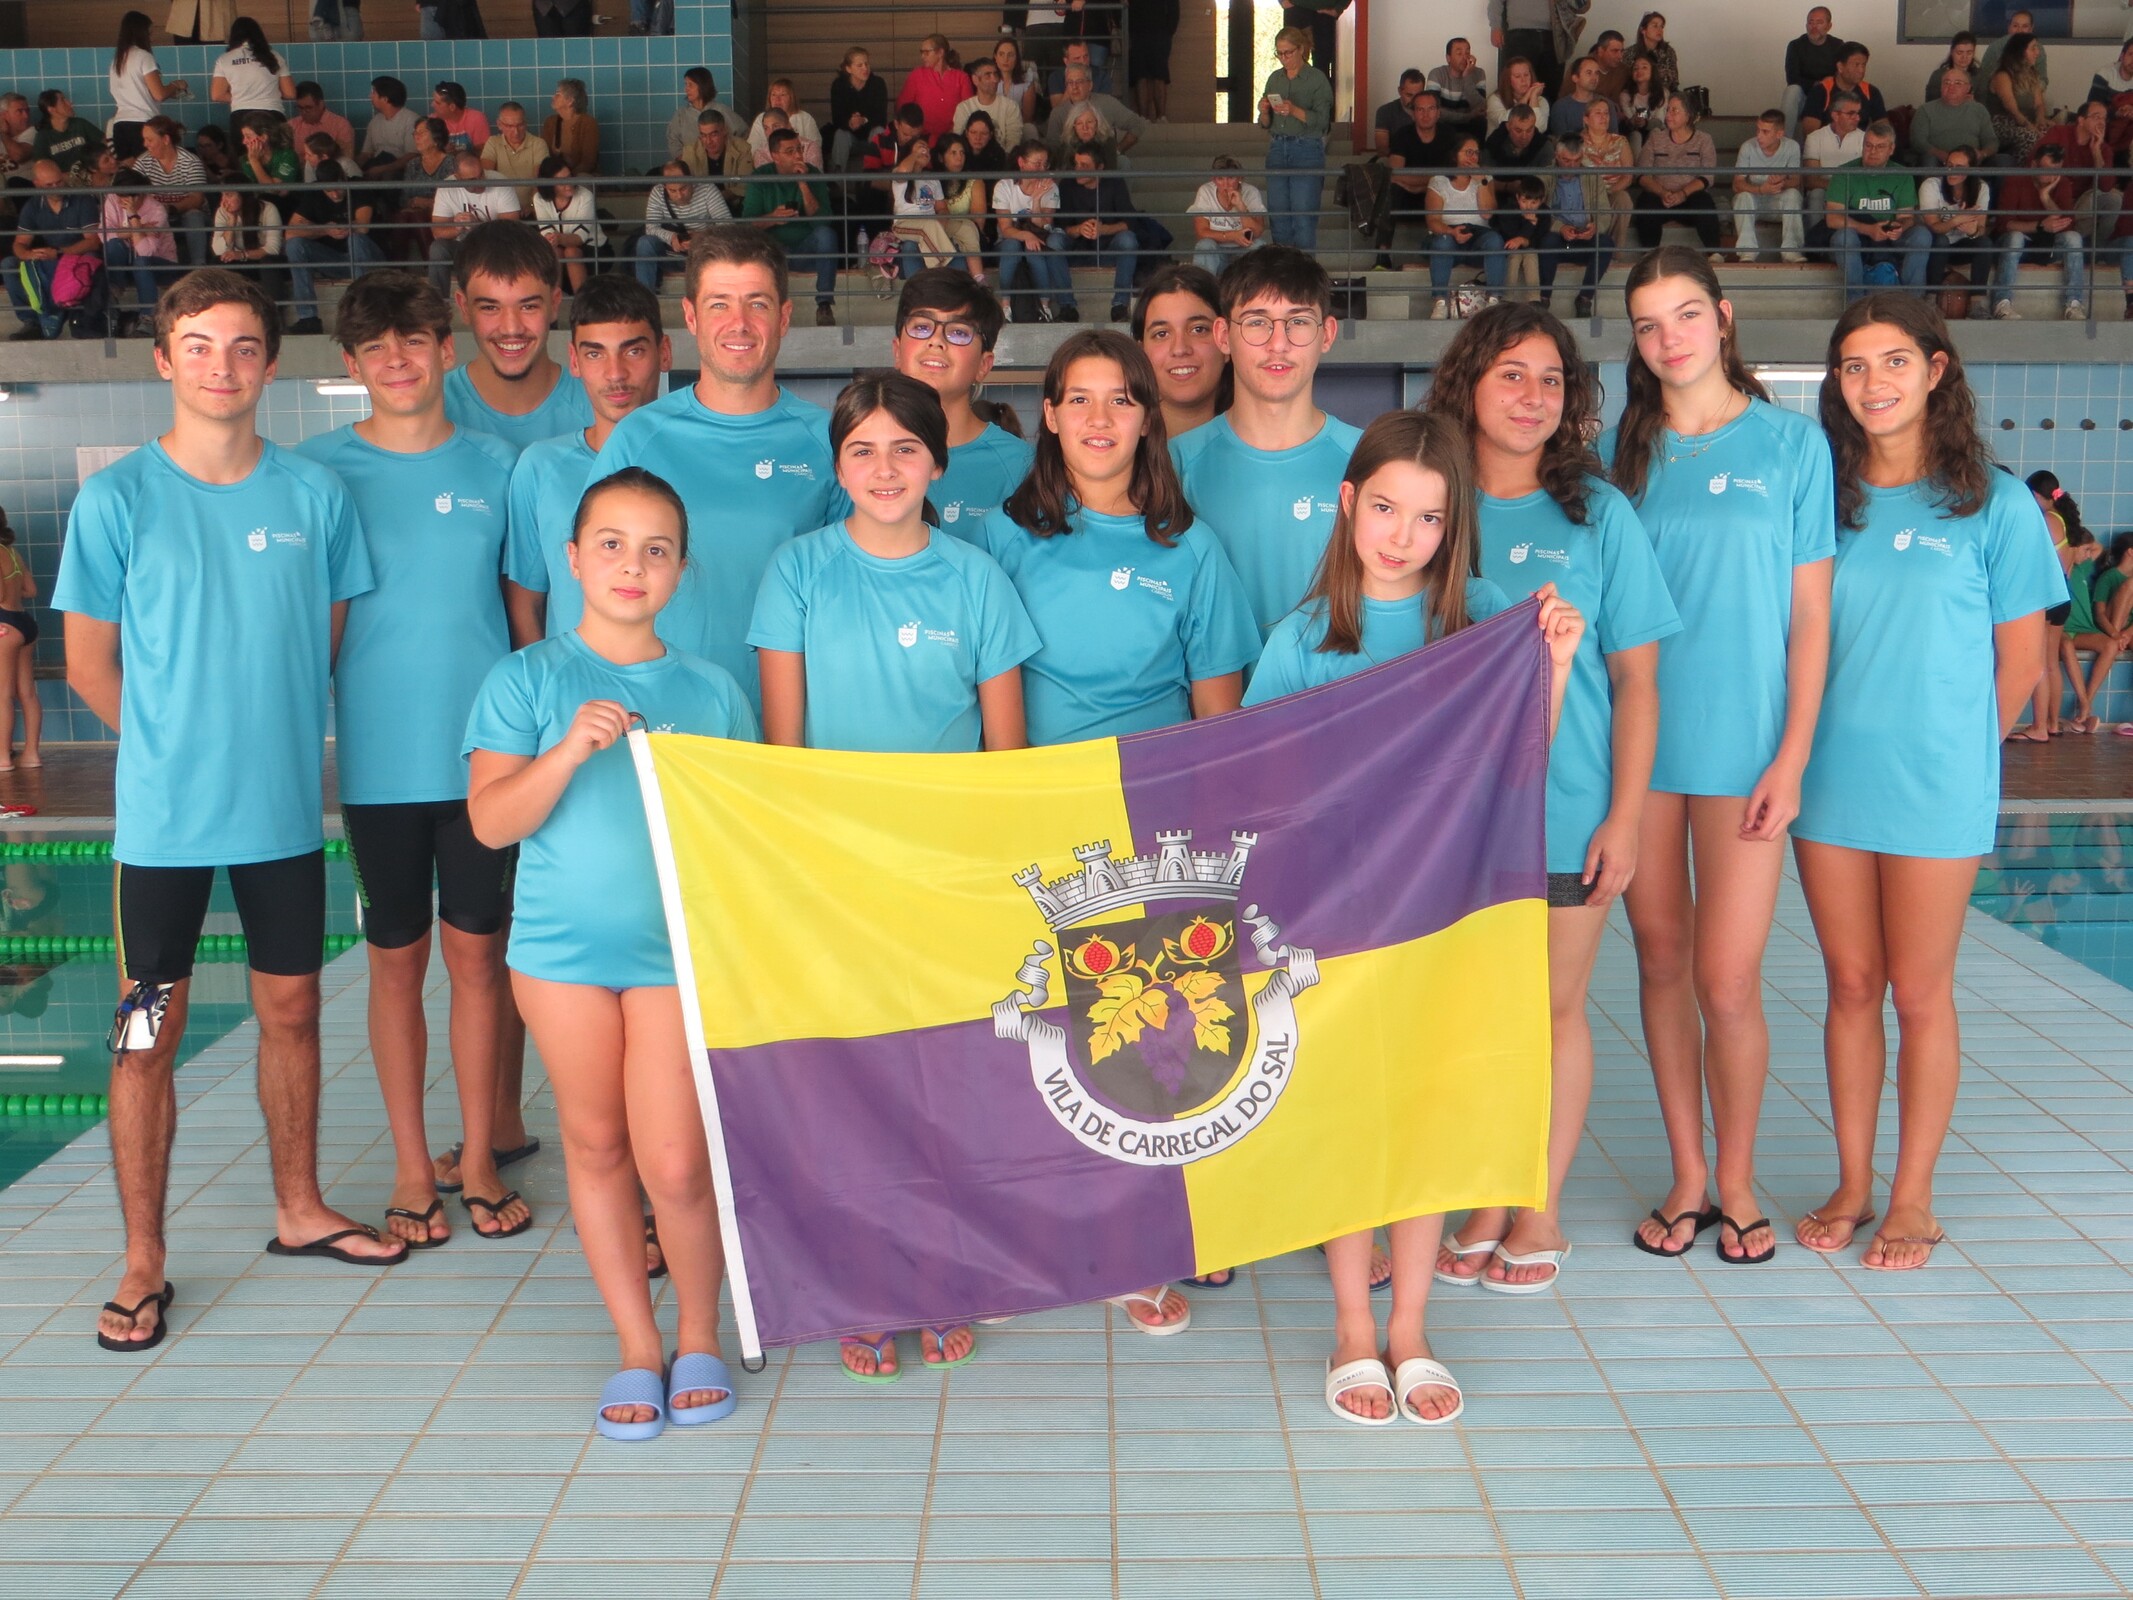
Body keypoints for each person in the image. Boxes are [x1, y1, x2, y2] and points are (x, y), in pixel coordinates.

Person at [57, 268, 402, 1356]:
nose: (222, 366)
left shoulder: (314, 497)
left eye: (244, 346)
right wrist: (175, 748)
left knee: (293, 1010)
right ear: (165, 360)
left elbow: (325, 645)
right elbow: (88, 664)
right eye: (199, 346)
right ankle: (142, 1258)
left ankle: (299, 1208)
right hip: (162, 829)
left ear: (269, 363)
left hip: (281, 822)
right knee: (143, 1033)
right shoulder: (117, 500)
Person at [1249, 413, 1578, 1386]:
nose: (1402, 536)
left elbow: (1519, 764)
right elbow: (1258, 787)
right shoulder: (1302, 637)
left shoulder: (1481, 620)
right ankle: (1355, 1326)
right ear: (1348, 502)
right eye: (1386, 508)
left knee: (1428, 1114)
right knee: (1354, 1117)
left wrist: (1554, 666)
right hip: (1340, 918)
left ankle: (1411, 1327)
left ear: (1454, 525)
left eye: (1429, 518)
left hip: (1447, 911)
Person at [750, 373, 1033, 1369]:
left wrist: (978, 876)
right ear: (836, 467)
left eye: (904, 448)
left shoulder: (976, 580)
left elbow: (1006, 757)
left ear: (938, 463)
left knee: (944, 1081)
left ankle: (943, 1268)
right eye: (862, 450)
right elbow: (782, 753)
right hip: (835, 872)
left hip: (943, 875)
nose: (884, 469)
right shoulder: (797, 572)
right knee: (849, 1082)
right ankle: (863, 1276)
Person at [466, 466, 751, 1438]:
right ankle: (636, 1343)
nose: (634, 565)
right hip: (560, 956)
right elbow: (491, 824)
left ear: (681, 570)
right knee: (595, 1147)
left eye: (656, 549)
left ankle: (699, 1331)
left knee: (674, 1161)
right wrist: (566, 751)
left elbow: (738, 836)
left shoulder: (712, 692)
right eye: (613, 545)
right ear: (574, 559)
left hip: (673, 956)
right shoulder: (526, 679)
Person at [1791, 293, 2063, 1271]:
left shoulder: (1994, 502)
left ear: (1936, 368)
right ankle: (1853, 1182)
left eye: (1894, 361)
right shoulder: (1821, 499)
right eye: (1854, 366)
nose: (1874, 383)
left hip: (1935, 783)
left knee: (1917, 991)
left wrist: (1959, 755)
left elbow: (2021, 661)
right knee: (1849, 983)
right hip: (1829, 778)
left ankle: (1913, 1198)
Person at [1422, 302, 1675, 1295]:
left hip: (1567, 807)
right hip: (1450, 816)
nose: (1533, 397)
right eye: (1511, 375)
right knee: (1471, 1014)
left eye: (1551, 380)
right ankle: (1487, 1192)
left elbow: (1638, 680)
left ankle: (1539, 1205)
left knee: (1552, 1009)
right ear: (1468, 385)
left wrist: (1625, 817)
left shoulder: (1597, 514)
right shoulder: (1431, 502)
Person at [1601, 247, 1835, 1267]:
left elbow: (1812, 616)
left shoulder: (1793, 445)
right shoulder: (1624, 452)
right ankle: (1689, 1174)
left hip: (1745, 745)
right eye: (1649, 324)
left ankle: (1738, 1179)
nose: (1670, 338)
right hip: (1641, 746)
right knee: (1659, 961)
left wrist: (1792, 755)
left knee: (1728, 979)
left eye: (1686, 314)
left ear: (1724, 316)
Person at [296, 272, 524, 1251]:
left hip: (484, 764)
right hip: (380, 765)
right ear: (352, 364)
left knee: (479, 961)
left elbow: (522, 614)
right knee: (396, 965)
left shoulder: (499, 466)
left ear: (444, 349)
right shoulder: (315, 473)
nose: (398, 360)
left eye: (415, 340)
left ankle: (479, 1158)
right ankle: (407, 1163)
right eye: (377, 347)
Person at [593, 226, 847, 708]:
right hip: (664, 714)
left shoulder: (830, 442)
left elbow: (853, 590)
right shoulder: (638, 437)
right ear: (690, 316)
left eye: (757, 304)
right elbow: (595, 584)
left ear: (784, 317)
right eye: (719, 305)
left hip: (792, 715)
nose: (739, 323)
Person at [1172, 247, 1356, 636]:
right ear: (1223, 335)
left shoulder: (1369, 460)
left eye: (1298, 322)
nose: (1278, 344)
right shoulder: (1176, 464)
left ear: (1327, 334)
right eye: (1257, 322)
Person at [504, 274, 673, 648]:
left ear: (664, 352)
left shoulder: (694, 462)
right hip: (571, 683)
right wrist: (543, 680)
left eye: (633, 351)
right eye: (595, 353)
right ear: (574, 360)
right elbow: (526, 602)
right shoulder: (540, 467)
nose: (615, 374)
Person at [891, 269, 1032, 535]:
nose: (936, 341)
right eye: (921, 327)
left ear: (984, 364)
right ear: (897, 351)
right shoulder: (859, 456)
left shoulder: (1022, 466)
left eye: (958, 332)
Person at [443, 221, 596, 457]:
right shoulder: (432, 409)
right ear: (464, 308)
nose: (511, 328)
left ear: (555, 303)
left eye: (528, 306)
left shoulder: (598, 408)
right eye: (490, 308)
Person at [742, 128, 842, 329]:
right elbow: (747, 225)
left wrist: (803, 183)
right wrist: (773, 218)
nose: (798, 155)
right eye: (790, 151)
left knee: (826, 235)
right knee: (753, 244)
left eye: (799, 149)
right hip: (774, 256)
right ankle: (763, 311)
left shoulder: (812, 173)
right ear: (775, 156)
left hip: (806, 252)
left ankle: (824, 304)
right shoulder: (761, 176)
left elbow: (823, 220)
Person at [1825, 122, 1929, 305]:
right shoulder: (1844, 172)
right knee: (1844, 237)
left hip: (1890, 236)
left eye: (1880, 147)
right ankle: (1854, 303)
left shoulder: (1902, 174)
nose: (1873, 151)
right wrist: (1868, 229)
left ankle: (1913, 303)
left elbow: (1907, 217)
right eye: (1868, 145)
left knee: (1921, 235)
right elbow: (1832, 219)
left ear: (1891, 149)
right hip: (1858, 236)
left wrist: (1899, 227)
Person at [1056, 142, 1153, 325]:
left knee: (1128, 239)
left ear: (1100, 167)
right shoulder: (1067, 185)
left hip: (1108, 249)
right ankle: (1067, 306)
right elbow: (1060, 224)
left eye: (1084, 166)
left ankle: (1120, 305)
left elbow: (1130, 221)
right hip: (1076, 250)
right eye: (1076, 164)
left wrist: (1103, 229)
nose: (1078, 170)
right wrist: (1079, 229)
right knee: (1054, 241)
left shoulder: (1114, 183)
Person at [1254, 28, 1334, 254]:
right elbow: (1265, 124)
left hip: (1306, 147)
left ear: (1301, 49)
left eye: (1288, 52)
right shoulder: (1275, 78)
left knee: (1303, 216)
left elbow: (1322, 122)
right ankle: (1283, 269)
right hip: (1277, 146)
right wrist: (1264, 111)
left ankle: (1305, 271)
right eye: (1279, 53)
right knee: (1278, 215)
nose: (1283, 58)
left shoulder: (1316, 79)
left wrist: (1294, 110)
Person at [6, 162, 104, 343]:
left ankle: (77, 318)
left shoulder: (82, 200)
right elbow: (19, 243)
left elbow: (93, 241)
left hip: (76, 257)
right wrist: (28, 255)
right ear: (37, 184)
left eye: (59, 182)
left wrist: (60, 253)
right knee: (9, 265)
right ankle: (32, 322)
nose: (56, 187)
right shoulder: (33, 205)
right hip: (51, 257)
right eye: (49, 185)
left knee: (90, 261)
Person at [2013, 469, 2078, 740]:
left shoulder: (2047, 520)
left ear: (2036, 495)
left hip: (2047, 596)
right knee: (2051, 663)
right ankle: (2051, 723)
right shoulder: (2062, 519)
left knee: (2039, 663)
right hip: (2062, 597)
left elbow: (2038, 560)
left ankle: (2039, 727)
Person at [284, 161, 383, 333]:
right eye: (329, 190)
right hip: (335, 260)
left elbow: (362, 226)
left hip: (368, 257)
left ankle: (362, 314)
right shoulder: (314, 193)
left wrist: (343, 228)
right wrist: (324, 229)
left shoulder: (358, 186)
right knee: (294, 245)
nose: (335, 194)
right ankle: (308, 318)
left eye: (338, 188)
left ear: (344, 178)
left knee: (355, 239)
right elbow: (290, 232)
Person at [1134, 261, 1229, 438]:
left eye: (1198, 329)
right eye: (1161, 333)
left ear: (1226, 340)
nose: (1180, 349)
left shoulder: (1266, 445)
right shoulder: (1120, 450)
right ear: (1141, 352)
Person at [1992, 142, 2085, 321]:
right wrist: (2040, 226)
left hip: (2048, 245)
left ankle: (2073, 304)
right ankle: (2002, 303)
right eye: (2046, 169)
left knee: (2073, 238)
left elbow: (2067, 225)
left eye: (2056, 170)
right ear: (2034, 164)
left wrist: (2045, 196)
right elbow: (2005, 224)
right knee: (2015, 237)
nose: (2051, 175)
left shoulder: (2062, 183)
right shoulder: (2016, 180)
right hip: (2020, 243)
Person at [1425, 135, 1505, 317]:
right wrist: (1452, 231)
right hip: (1447, 232)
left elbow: (1487, 214)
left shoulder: (1485, 178)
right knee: (1442, 242)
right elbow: (1432, 221)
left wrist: (1481, 181)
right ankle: (1440, 302)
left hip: (1478, 234)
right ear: (1455, 155)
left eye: (1476, 153)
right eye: (1468, 152)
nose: (1473, 157)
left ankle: (1494, 301)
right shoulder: (1438, 180)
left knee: (1495, 240)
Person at [993, 138, 1071, 323]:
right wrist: (1026, 235)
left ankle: (1044, 306)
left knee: (1034, 251)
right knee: (1011, 246)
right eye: (1037, 163)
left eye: (1045, 164)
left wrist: (1036, 200)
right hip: (1010, 238)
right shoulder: (1004, 186)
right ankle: (1005, 305)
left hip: (1038, 236)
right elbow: (1005, 229)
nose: (1041, 169)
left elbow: (1044, 225)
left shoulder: (1050, 186)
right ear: (1021, 162)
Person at [1382, 90, 1462, 268]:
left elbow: (1453, 176)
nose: (1426, 114)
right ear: (1413, 113)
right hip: (1408, 199)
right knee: (1391, 190)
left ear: (1438, 112)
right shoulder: (1402, 134)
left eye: (1431, 109)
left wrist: (1417, 185)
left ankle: (1455, 254)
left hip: (1441, 198)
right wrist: (1433, 181)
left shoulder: (1449, 135)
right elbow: (1396, 174)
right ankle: (1382, 254)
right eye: (1420, 109)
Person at [1632, 94, 1719, 253]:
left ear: (1688, 115)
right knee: (1646, 202)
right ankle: (1650, 255)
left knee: (1703, 201)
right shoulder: (1655, 138)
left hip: (1689, 198)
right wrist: (1662, 192)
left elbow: (1707, 177)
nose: (1668, 115)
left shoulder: (1704, 140)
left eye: (1675, 110)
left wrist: (1682, 194)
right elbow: (1641, 175)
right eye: (1668, 110)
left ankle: (1715, 253)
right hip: (1661, 197)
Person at [2065, 531, 2132, 733]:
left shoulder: (2081, 567)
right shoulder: (2062, 570)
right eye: (2085, 550)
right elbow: (2100, 613)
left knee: (2111, 645)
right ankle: (2084, 705)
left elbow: (2096, 547)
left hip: (2088, 630)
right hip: (2068, 630)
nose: (2089, 554)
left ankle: (2087, 703)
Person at [427, 151, 521, 293]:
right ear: (457, 178)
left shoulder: (499, 181)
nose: (480, 183)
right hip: (462, 246)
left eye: (481, 175)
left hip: (494, 245)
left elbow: (512, 228)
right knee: (438, 248)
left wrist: (478, 226)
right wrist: (457, 228)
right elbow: (437, 232)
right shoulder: (447, 188)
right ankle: (436, 302)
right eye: (472, 181)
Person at [1540, 133, 1612, 316]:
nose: (1572, 165)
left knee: (1605, 243)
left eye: (1576, 160)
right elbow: (1538, 212)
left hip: (1585, 236)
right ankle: (1543, 298)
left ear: (1582, 157)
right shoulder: (1544, 177)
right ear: (1556, 156)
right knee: (1547, 242)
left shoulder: (1592, 177)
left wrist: (1595, 227)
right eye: (1566, 160)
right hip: (1558, 238)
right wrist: (1560, 228)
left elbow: (1605, 212)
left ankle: (1585, 298)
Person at [102, 172, 179, 336]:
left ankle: (148, 317)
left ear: (139, 195)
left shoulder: (157, 210)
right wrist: (139, 229)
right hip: (127, 263)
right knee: (114, 245)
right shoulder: (112, 199)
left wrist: (133, 216)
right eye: (118, 196)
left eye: (125, 197)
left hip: (159, 264)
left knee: (141, 262)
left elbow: (146, 252)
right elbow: (104, 235)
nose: (120, 201)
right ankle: (114, 291)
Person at [635, 161, 729, 291]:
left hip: (703, 255)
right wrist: (671, 237)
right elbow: (651, 228)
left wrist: (701, 237)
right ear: (664, 187)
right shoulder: (657, 193)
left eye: (683, 188)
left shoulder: (707, 189)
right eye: (672, 190)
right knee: (645, 242)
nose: (679, 195)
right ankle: (645, 297)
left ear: (691, 180)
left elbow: (727, 226)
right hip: (670, 255)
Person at [134, 117, 213, 268]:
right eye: (144, 140)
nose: (145, 144)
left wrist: (170, 209)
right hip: (156, 218)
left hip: (187, 217)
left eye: (149, 140)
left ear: (165, 139)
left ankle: (198, 266)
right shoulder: (142, 163)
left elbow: (196, 198)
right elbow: (134, 193)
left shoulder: (191, 162)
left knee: (193, 215)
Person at [1732, 111, 1806, 263]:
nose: (1759, 135)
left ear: (1779, 134)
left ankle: (1791, 250)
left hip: (1777, 201)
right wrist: (1761, 190)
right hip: (1755, 202)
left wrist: (1781, 182)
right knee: (1742, 197)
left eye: (1765, 132)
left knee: (1793, 194)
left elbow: (1796, 180)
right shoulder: (1748, 147)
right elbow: (1737, 184)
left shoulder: (1792, 147)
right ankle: (1747, 252)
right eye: (1758, 130)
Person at [1921, 146, 1993, 303]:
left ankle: (1977, 303)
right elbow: (1933, 226)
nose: (1952, 171)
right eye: (1949, 165)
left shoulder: (1981, 188)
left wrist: (1973, 231)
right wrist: (1956, 220)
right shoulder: (1931, 185)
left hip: (1961, 245)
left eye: (1959, 167)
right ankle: (1931, 300)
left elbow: (1981, 228)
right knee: (1941, 240)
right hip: (1936, 247)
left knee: (1985, 243)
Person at [110, 11, 179, 163]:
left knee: (129, 174)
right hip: (142, 124)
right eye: (149, 33)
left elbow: (137, 92)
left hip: (120, 125)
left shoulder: (117, 61)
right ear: (141, 33)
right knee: (150, 171)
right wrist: (176, 85)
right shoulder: (143, 56)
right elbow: (159, 94)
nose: (151, 38)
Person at [1489, 0, 1588, 104]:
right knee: (1515, 86)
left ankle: (1546, 114)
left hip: (1553, 35)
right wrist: (1495, 27)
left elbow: (1581, 5)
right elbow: (1496, 2)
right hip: (1519, 35)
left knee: (1550, 88)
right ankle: (1514, 113)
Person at [0, 512, 40, 771]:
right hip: (24, 623)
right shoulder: (12, 553)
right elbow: (31, 591)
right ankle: (31, 755)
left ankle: (3, 758)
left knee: (2, 695)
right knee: (27, 692)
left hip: (4, 626)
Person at [532, 158, 603, 293]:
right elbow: (546, 232)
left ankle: (581, 301)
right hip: (559, 246)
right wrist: (554, 238)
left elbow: (580, 237)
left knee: (571, 251)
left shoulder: (585, 195)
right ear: (549, 185)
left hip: (593, 247)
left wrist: (557, 238)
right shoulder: (539, 198)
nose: (568, 184)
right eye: (561, 181)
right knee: (554, 252)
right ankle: (553, 301)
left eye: (569, 177)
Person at [208, 185, 284, 312]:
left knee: (269, 262)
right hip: (242, 263)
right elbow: (219, 251)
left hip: (264, 261)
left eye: (229, 195)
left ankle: (274, 314)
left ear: (242, 194)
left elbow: (273, 249)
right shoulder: (222, 212)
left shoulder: (267, 209)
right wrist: (231, 221)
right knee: (217, 262)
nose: (224, 201)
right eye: (222, 195)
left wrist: (242, 255)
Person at [1188, 154, 1266, 276]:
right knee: (1205, 245)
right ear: (1214, 180)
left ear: (1240, 177)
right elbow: (1201, 232)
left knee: (1259, 245)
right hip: (1217, 249)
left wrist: (1240, 206)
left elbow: (1257, 232)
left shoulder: (1251, 192)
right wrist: (1232, 236)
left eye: (1231, 178)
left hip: (1243, 250)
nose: (1226, 185)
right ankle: (1203, 286)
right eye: (1220, 179)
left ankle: (1252, 286)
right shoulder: (1205, 191)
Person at [1045, 64, 1149, 153]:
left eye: (1079, 81)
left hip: (1106, 161)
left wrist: (1117, 151)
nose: (1074, 87)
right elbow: (1052, 148)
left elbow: (1137, 124)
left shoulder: (1107, 103)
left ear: (1090, 85)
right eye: (1070, 82)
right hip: (1072, 165)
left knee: (1124, 163)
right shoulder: (1058, 113)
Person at [1911, 67, 1997, 167]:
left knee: (2003, 160)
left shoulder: (1979, 110)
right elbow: (1918, 142)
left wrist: (1982, 154)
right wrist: (1943, 155)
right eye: (1946, 83)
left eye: (1958, 83)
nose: (1951, 87)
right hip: (1938, 161)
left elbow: (1991, 140)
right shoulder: (1925, 110)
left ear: (1968, 88)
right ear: (1941, 86)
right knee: (1928, 160)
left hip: (1973, 163)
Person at [210, 17, 294, 117]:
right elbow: (290, 93)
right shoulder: (275, 56)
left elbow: (217, 95)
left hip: (241, 114)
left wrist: (244, 99)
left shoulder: (224, 59)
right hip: (272, 113)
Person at [1581, 96, 1636, 245]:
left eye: (1606, 113)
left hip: (1612, 193)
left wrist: (1608, 192)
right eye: (1598, 113)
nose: (1603, 117)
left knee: (1623, 199)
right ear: (1586, 119)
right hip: (1587, 195)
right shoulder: (1578, 142)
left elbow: (1628, 176)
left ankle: (1614, 250)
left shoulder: (1620, 141)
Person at [1799, 42, 1884, 139]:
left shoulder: (1871, 91)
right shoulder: (1820, 91)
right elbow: (1810, 132)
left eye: (1863, 65)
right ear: (1840, 67)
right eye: (1856, 65)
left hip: (1859, 144)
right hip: (1826, 144)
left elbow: (1883, 128)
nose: (1861, 70)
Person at [1783, 7, 1844, 139]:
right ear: (1806, 25)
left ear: (1829, 26)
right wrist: (1818, 84)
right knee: (1792, 90)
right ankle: (1784, 142)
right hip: (1805, 97)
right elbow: (1792, 78)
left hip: (1829, 97)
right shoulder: (1795, 45)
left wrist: (1827, 85)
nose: (1814, 27)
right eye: (1811, 22)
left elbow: (1842, 76)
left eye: (1819, 22)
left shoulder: (1838, 45)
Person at [1989, 34, 2050, 165]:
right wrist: (2031, 127)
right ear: (2021, 51)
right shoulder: (2003, 75)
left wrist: (2040, 120)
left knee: (2052, 134)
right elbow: (2013, 110)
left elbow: (2039, 104)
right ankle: (2021, 171)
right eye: (2033, 48)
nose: (2037, 53)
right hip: (2002, 123)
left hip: (2027, 121)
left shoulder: (2032, 74)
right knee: (2030, 136)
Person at [481, 102, 551, 214]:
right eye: (509, 126)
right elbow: (486, 175)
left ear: (526, 123)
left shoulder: (538, 144)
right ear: (499, 125)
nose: (516, 132)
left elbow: (539, 180)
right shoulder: (493, 143)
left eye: (520, 125)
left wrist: (532, 206)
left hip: (531, 209)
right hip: (501, 209)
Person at [829, 47, 889, 174]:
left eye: (867, 64)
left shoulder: (878, 83)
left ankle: (875, 178)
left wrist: (863, 120)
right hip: (850, 136)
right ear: (848, 69)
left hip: (871, 134)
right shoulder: (839, 85)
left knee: (879, 131)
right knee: (840, 134)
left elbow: (881, 117)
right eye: (859, 65)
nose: (865, 68)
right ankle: (837, 179)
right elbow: (837, 118)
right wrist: (850, 122)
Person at [748, 80, 824, 169]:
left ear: (792, 98)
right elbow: (753, 149)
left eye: (783, 95)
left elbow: (815, 149)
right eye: (773, 95)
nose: (777, 99)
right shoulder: (761, 118)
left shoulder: (805, 118)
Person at [956, 57, 1027, 153]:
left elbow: (1013, 142)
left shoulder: (1011, 107)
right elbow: (959, 143)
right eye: (988, 75)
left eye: (995, 75)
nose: (994, 80)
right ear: (975, 80)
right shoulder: (964, 108)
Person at [30, 91, 104, 179]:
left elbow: (104, 143)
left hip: (90, 176)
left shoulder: (80, 124)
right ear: (52, 109)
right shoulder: (43, 137)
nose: (70, 103)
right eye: (63, 100)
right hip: (62, 182)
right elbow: (41, 167)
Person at [360, 76, 421, 182]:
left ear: (385, 99)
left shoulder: (411, 120)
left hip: (400, 172)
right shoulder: (375, 121)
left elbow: (412, 156)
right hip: (376, 167)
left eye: (374, 93)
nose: (370, 96)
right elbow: (366, 153)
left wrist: (382, 169)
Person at [1428, 37, 1489, 139]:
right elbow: (1435, 111)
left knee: (1481, 122)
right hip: (1445, 123)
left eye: (1467, 53)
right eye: (1459, 53)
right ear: (1448, 58)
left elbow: (1481, 107)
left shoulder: (1478, 73)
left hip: (1470, 124)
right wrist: (1468, 116)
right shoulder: (1437, 74)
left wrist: (1467, 77)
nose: (1465, 58)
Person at [1550, 56, 1618, 140]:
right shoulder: (1561, 107)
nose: (1594, 78)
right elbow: (1561, 142)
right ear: (1575, 78)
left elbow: (1614, 139)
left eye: (1597, 73)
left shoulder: (1606, 104)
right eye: (1589, 73)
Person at [542, 79, 600, 176]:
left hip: (581, 176)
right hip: (556, 177)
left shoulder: (588, 123)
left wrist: (569, 178)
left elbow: (588, 162)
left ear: (570, 101)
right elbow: (545, 156)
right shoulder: (550, 122)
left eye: (558, 94)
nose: (553, 97)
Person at [666, 68, 725, 163]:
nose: (686, 89)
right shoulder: (681, 115)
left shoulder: (722, 110)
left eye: (690, 85)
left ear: (702, 86)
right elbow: (673, 141)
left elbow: (743, 135)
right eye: (686, 84)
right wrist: (686, 162)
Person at [291, 83, 356, 166]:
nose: (303, 112)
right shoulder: (291, 126)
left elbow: (347, 161)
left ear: (321, 104)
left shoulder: (341, 125)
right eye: (300, 108)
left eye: (308, 108)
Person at [1487, 57, 1550, 135]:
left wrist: (1533, 97)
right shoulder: (1495, 99)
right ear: (1508, 80)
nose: (1523, 80)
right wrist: (1527, 96)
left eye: (1526, 75)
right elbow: (1505, 122)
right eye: (1517, 76)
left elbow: (1539, 128)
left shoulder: (1541, 101)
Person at [1627, 12, 1678, 102]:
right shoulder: (1630, 53)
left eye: (1661, 27)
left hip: (1664, 97)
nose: (1659, 30)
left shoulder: (1668, 52)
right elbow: (1626, 80)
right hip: (1636, 98)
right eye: (1655, 26)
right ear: (1643, 30)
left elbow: (1673, 82)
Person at [431, 81, 491, 156]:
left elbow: (484, 152)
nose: (432, 105)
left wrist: (458, 153)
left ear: (452, 107)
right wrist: (441, 151)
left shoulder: (476, 119)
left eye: (437, 103)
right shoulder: (432, 120)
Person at [1376, 69, 1427, 155]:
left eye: (1418, 95)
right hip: (1394, 157)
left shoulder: (1431, 111)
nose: (1414, 100)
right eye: (1409, 95)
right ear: (1400, 91)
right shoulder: (1385, 111)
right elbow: (1382, 149)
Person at [1928, 31, 1983, 106]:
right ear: (1952, 52)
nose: (1964, 57)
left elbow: (1984, 106)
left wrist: (1974, 102)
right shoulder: (1938, 76)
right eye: (1959, 53)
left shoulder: (1979, 75)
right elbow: (1930, 105)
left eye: (1969, 53)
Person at [1617, 55, 1661, 144]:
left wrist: (1646, 123)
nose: (1639, 71)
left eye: (1644, 67)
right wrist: (1634, 121)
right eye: (1635, 68)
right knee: (1636, 135)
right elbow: (1629, 121)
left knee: (1656, 132)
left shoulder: (1662, 93)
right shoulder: (1625, 95)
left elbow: (1660, 121)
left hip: (1654, 130)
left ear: (1652, 71)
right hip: (1633, 132)